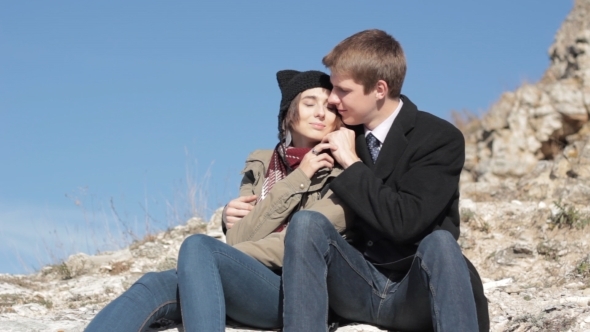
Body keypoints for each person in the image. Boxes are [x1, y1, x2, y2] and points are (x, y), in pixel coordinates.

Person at [85, 69, 353, 332]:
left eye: (329, 108)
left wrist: (301, 178)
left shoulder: (343, 172)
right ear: (287, 115)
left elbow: (298, 246)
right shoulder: (262, 165)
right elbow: (238, 237)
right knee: (154, 284)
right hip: (245, 279)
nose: (320, 113)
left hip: (296, 292)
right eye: (309, 103)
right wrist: (229, 235)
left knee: (199, 248)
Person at [281, 30, 490, 332]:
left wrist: (351, 163)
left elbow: (405, 222)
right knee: (306, 224)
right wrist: (240, 212)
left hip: (416, 292)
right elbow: (295, 178)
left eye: (343, 90)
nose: (332, 99)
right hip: (354, 284)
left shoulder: (439, 138)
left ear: (379, 89)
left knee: (441, 243)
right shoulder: (341, 135)